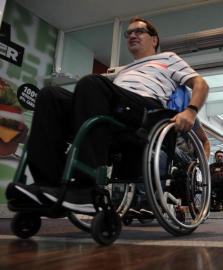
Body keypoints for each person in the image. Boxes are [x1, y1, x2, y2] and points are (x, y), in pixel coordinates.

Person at [7, 17, 209, 213]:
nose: (132, 35)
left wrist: (191, 111)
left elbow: (201, 84)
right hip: (114, 108)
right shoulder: (123, 71)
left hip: (146, 111)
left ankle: (85, 188)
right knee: (50, 95)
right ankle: (49, 187)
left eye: (139, 31)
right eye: (128, 33)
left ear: (154, 39)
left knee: (91, 82)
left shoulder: (168, 58)